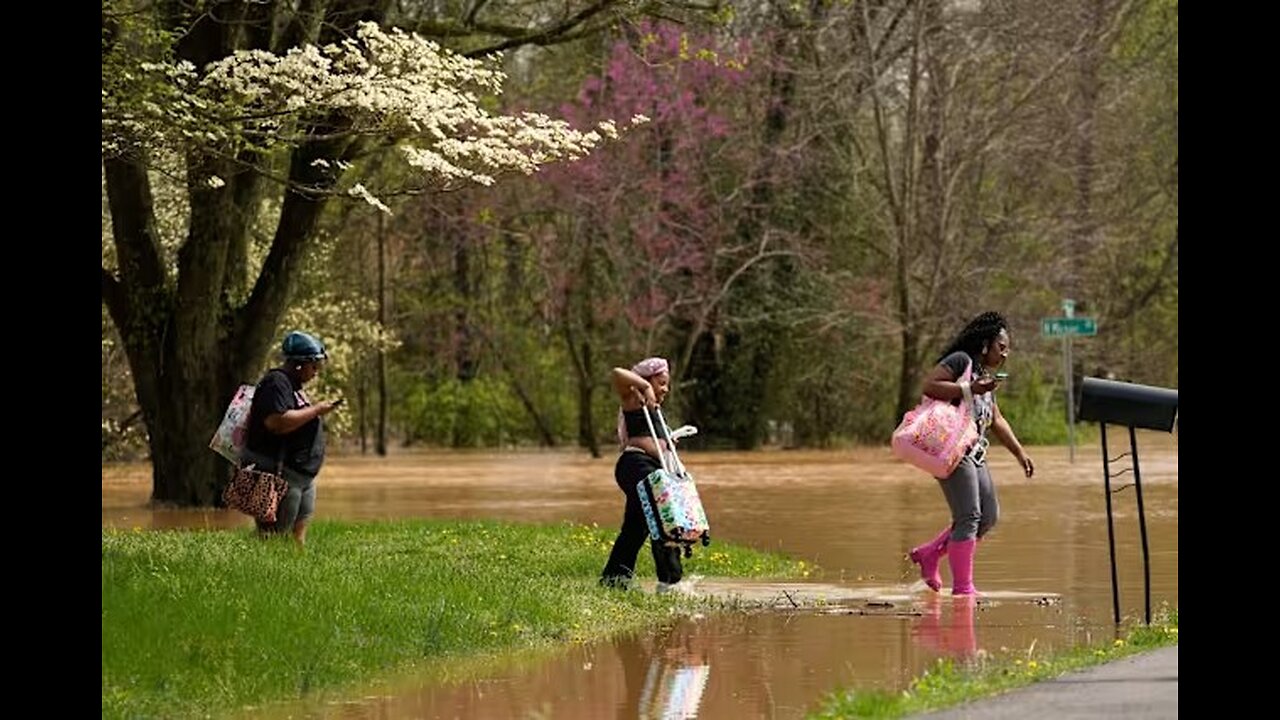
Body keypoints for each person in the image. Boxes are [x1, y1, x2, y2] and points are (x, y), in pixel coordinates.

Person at [907, 311, 1035, 595]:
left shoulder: (984, 377)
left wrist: (1020, 453)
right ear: (985, 344)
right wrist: (969, 389)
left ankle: (929, 554)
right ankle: (963, 589)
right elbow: (930, 386)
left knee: (988, 516)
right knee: (969, 516)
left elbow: (996, 419)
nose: (1005, 354)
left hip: (975, 452)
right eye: (1001, 347)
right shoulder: (960, 362)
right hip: (951, 448)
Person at [240, 330, 342, 545]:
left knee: (297, 535)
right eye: (314, 366)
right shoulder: (276, 383)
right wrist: (316, 410)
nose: (316, 372)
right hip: (279, 473)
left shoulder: (293, 386)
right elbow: (276, 422)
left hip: (301, 475)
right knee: (273, 535)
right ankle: (261, 563)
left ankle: (297, 563)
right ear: (298, 364)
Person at [599, 357, 689, 593]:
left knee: (636, 527)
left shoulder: (656, 411)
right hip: (635, 465)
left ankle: (614, 579)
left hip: (653, 468)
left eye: (667, 384)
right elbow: (617, 372)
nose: (665, 389)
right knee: (665, 515)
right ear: (647, 380)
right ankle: (670, 582)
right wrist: (645, 386)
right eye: (661, 383)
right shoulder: (634, 399)